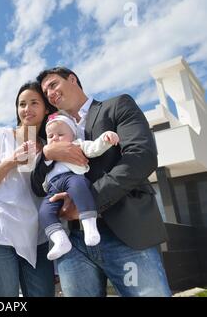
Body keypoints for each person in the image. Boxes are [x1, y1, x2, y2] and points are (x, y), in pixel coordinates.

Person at [31, 67, 172, 297]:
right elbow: (38, 186)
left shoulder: (117, 106)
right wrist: (48, 153)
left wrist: (87, 202)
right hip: (73, 244)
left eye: (53, 85)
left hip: (126, 235)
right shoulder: (53, 133)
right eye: (46, 92)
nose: (50, 93)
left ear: (73, 79)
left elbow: (141, 157)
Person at [0, 81, 57, 297]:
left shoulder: (50, 146)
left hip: (37, 239)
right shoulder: (0, 136)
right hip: (0, 237)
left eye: (34, 103)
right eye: (22, 104)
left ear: (46, 108)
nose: (26, 109)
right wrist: (10, 162)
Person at [39, 111, 119, 261]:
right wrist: (46, 152)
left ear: (73, 135)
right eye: (50, 136)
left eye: (60, 134)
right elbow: (40, 166)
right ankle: (60, 240)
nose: (55, 138)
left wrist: (106, 138)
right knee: (44, 211)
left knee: (79, 188)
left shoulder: (77, 144)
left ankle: (90, 227)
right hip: (52, 187)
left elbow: (94, 148)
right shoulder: (49, 154)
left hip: (72, 178)